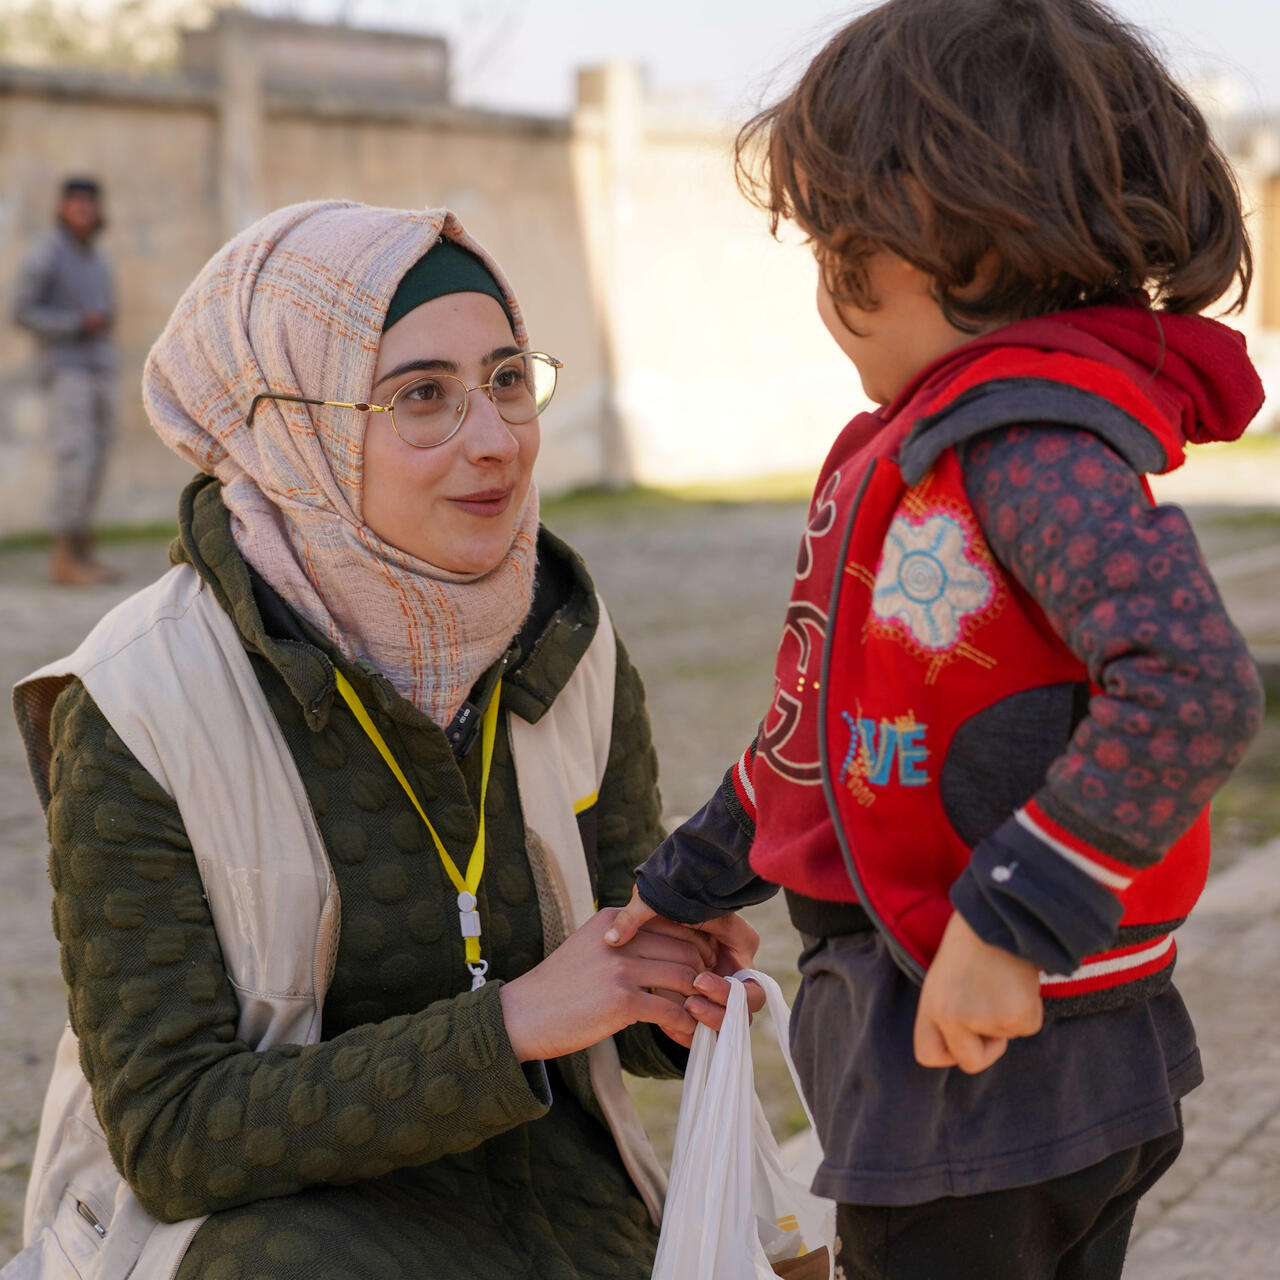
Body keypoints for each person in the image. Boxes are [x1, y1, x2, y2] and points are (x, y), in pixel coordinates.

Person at [605, 2, 1266, 1277]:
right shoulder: (939, 447)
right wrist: (681, 884)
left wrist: (1010, 923)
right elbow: (830, 723)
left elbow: (1187, 686)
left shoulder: (1023, 447)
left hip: (982, 1082)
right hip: (997, 1068)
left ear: (919, 240)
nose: (822, 282)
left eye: (829, 240)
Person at [7, 201, 758, 1280]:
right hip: (271, 1238)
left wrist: (675, 982)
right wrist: (503, 1028)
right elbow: (175, 1132)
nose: (495, 437)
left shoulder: (567, 644)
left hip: (564, 1212)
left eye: (506, 379)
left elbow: (615, 1002)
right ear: (288, 432)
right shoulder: (136, 703)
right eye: (422, 397)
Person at [13, 176, 119, 586]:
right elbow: (22, 311)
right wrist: (75, 324)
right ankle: (62, 559)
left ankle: (84, 554)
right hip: (66, 371)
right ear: (62, 209)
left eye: (90, 205)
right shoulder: (46, 255)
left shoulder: (97, 258)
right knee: (74, 459)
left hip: (100, 369)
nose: (84, 212)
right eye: (77, 205)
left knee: (97, 458)